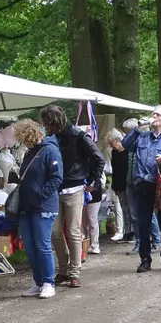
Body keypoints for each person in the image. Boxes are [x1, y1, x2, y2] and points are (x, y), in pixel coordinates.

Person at [41, 105, 105, 288]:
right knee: (54, 232)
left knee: (73, 231)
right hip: (55, 190)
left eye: (47, 123)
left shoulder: (78, 136)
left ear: (54, 121)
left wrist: (92, 183)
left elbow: (98, 159)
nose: (45, 126)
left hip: (75, 189)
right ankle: (63, 269)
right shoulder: (51, 138)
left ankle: (74, 272)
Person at [122, 105, 161, 273]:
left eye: (158, 115)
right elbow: (124, 144)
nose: (154, 116)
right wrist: (137, 128)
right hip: (143, 185)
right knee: (143, 224)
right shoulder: (142, 137)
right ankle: (145, 259)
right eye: (153, 114)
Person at [15, 119, 63, 300]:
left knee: (42, 245)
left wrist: (40, 196)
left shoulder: (50, 151)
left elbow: (56, 178)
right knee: (29, 245)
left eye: (23, 138)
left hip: (43, 206)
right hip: (27, 207)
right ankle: (38, 281)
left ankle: (48, 282)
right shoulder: (31, 152)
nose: (22, 142)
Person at [122, 119, 161, 256]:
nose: (126, 134)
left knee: (149, 214)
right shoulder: (131, 143)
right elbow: (124, 144)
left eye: (128, 131)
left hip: (143, 182)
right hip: (130, 182)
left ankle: (156, 241)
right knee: (134, 216)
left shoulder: (147, 141)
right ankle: (139, 243)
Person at [107, 129, 129, 241]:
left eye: (111, 144)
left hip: (127, 184)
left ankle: (130, 232)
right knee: (122, 209)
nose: (111, 146)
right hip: (118, 185)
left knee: (129, 209)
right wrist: (114, 186)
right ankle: (125, 231)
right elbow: (114, 170)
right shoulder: (114, 153)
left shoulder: (127, 151)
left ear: (117, 140)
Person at [84, 170, 107, 255]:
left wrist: (92, 186)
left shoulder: (95, 164)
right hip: (82, 193)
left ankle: (94, 245)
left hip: (94, 194)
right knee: (84, 222)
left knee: (92, 220)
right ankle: (85, 245)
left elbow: (99, 177)